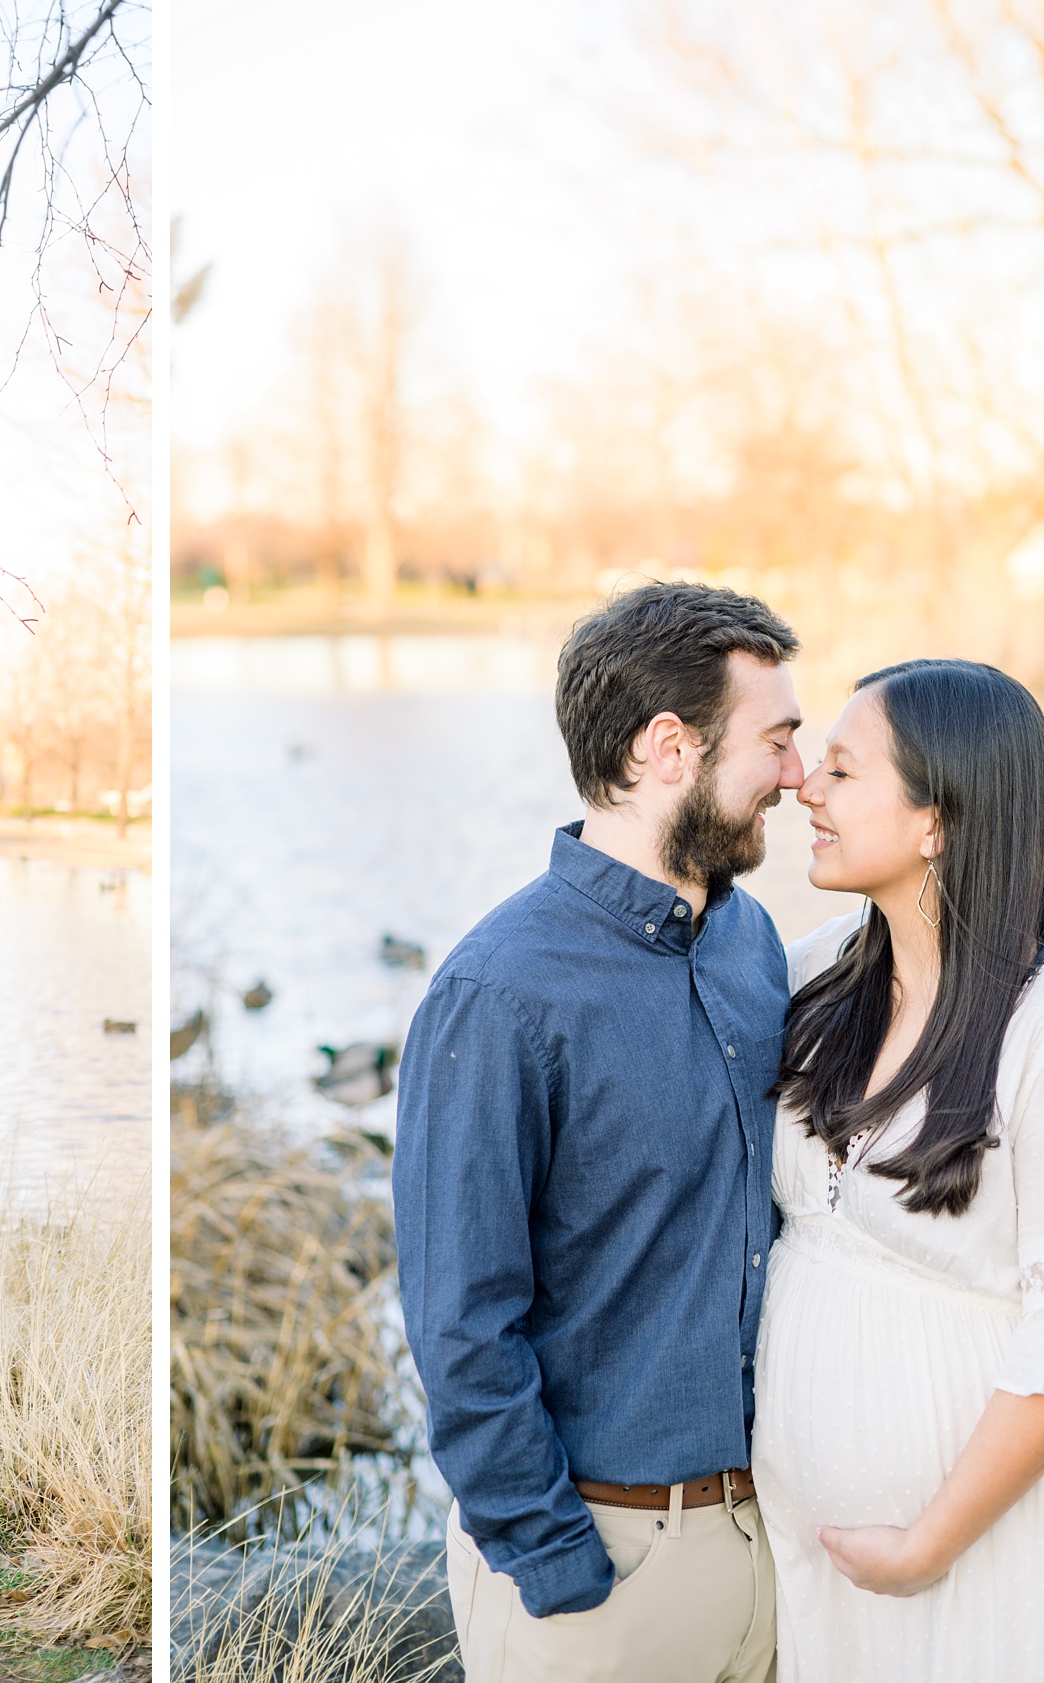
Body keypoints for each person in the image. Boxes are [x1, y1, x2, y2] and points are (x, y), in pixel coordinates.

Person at [393, 581, 804, 1683]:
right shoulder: (497, 992)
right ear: (670, 746)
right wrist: (560, 1565)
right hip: (601, 1581)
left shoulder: (752, 942)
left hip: (776, 1553)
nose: (798, 774)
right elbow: (459, 1320)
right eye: (777, 739)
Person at [753, 660, 1044, 1679]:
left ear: (937, 820)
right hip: (830, 1567)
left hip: (1000, 1555)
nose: (807, 782)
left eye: (846, 771)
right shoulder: (815, 974)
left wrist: (925, 1544)